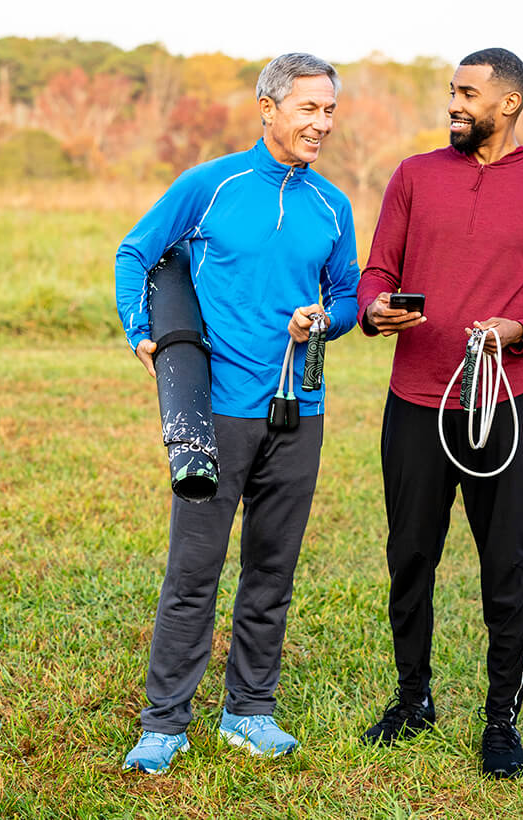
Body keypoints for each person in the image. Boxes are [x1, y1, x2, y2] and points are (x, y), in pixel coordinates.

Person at [115, 53, 359, 773]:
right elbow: (137, 251)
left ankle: (250, 711)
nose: (322, 123)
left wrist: (328, 318)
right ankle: (164, 723)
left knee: (272, 570)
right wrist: (142, 330)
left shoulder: (332, 206)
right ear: (268, 106)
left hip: (299, 410)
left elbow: (346, 292)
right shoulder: (211, 185)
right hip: (217, 410)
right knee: (194, 571)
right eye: (310, 108)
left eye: (331, 111)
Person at [356, 47, 523, 778]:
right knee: (411, 558)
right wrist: (373, 311)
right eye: (451, 92)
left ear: (510, 103)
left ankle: (501, 723)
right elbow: (378, 272)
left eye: (467, 93)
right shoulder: (413, 176)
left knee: (508, 567)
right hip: (416, 403)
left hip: (507, 404)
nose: (454, 104)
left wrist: (521, 332)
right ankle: (412, 699)